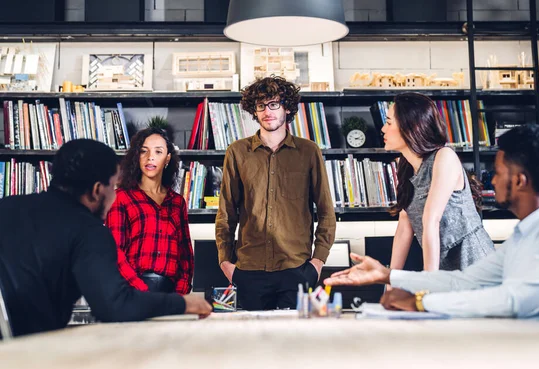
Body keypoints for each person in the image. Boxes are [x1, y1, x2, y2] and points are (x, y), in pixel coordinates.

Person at [324, 124, 539, 320]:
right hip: (518, 344)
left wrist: (420, 301)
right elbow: (466, 281)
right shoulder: (528, 232)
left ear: (519, 181)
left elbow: (511, 301)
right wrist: (387, 275)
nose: (491, 180)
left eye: (498, 172)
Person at [0, 139, 211, 337]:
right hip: (27, 352)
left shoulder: (6, 207)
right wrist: (183, 303)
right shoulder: (89, 230)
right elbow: (115, 306)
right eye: (113, 187)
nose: (114, 195)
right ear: (97, 190)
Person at [215, 76, 336, 310]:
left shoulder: (308, 152)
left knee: (294, 343)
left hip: (296, 269)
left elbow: (325, 211)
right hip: (249, 270)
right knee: (252, 342)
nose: (267, 111)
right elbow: (226, 212)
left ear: (287, 108)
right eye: (261, 105)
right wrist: (225, 263)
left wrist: (318, 262)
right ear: (254, 110)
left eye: (274, 104)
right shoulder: (237, 152)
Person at [382, 92, 494, 272]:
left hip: (473, 260)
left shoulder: (444, 156)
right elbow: (404, 226)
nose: (382, 129)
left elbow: (431, 219)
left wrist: (430, 282)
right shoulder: (406, 167)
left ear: (410, 126)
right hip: (443, 264)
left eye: (388, 123)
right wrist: (390, 281)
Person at [106, 126, 194, 295]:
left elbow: (186, 255)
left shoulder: (177, 202)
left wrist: (180, 293)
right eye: (143, 151)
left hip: (171, 293)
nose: (150, 157)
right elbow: (114, 252)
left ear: (167, 158)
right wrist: (140, 289)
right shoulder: (121, 198)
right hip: (133, 290)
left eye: (158, 152)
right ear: (136, 156)